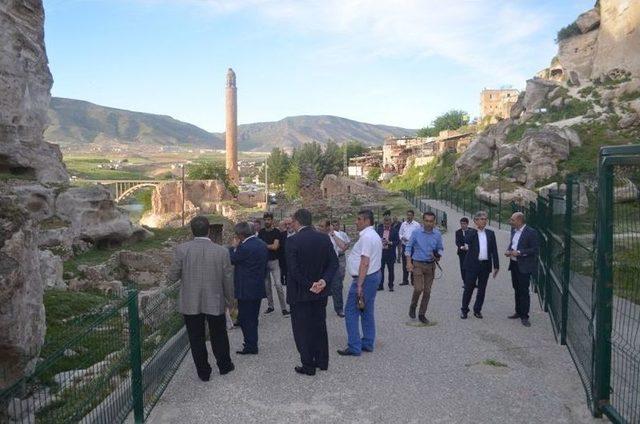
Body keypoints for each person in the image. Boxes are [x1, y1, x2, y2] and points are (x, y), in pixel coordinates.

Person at [167, 216, 235, 380]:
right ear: (209, 230)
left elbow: (172, 277)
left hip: (191, 301)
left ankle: (203, 373)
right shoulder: (221, 251)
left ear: (192, 231)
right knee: (219, 334)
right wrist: (230, 300)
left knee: (196, 337)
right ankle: (225, 366)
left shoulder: (182, 250)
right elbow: (228, 278)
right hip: (215, 299)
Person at [286, 209, 338, 375]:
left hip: (300, 293)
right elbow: (333, 263)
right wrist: (323, 281)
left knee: (302, 330)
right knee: (319, 326)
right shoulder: (324, 238)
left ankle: (308, 364)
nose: (291, 224)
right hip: (320, 292)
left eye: (292, 221)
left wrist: (310, 284)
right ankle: (322, 361)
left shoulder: (292, 241)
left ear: (297, 221)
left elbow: (293, 270)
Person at [337, 209, 382, 356]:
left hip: (365, 278)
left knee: (351, 311)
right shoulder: (373, 235)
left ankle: (354, 346)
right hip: (373, 276)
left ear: (367, 221)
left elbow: (365, 262)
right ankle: (368, 342)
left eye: (358, 219)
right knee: (367, 310)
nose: (356, 222)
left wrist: (359, 285)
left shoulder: (367, 237)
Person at [229, 221, 269, 354]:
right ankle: (252, 343)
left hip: (245, 288)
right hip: (257, 286)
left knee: (246, 319)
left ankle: (250, 346)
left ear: (240, 235)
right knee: (253, 317)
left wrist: (233, 247)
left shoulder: (244, 247)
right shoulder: (262, 244)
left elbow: (232, 259)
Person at [405, 211, 444, 324]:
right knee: (418, 288)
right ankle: (413, 305)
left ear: (434, 222)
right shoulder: (416, 232)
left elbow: (440, 248)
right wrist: (408, 262)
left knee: (427, 291)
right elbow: (408, 247)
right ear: (423, 221)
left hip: (431, 265)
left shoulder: (437, 234)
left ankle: (422, 314)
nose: (428, 223)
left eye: (431, 221)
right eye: (426, 221)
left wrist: (438, 255)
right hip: (417, 264)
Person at [460, 211, 499, 320]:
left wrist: (496, 265)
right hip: (472, 265)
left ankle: (477, 310)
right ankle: (464, 309)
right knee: (468, 288)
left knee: (482, 289)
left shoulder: (491, 233)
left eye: (485, 219)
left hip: (485, 265)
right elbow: (466, 241)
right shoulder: (470, 232)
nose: (484, 221)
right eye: (481, 219)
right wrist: (475, 230)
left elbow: (494, 250)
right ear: (476, 221)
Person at [506, 212, 540, 327]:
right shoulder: (514, 231)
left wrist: (520, 252)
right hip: (514, 264)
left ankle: (525, 316)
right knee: (516, 288)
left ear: (519, 220)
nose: (510, 222)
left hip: (524, 265)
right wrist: (509, 250)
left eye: (512, 220)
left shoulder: (531, 232)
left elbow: (535, 249)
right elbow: (513, 244)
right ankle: (518, 311)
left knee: (524, 290)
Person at [258, 212, 289, 316]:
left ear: (272, 220)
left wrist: (263, 245)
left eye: (268, 219)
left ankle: (284, 308)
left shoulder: (276, 232)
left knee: (278, 285)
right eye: (265, 219)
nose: (267, 221)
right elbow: (266, 246)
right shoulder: (261, 232)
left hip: (274, 261)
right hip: (264, 261)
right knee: (267, 286)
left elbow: (275, 247)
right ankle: (270, 306)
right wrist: (268, 246)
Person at [321, 220, 349, 317]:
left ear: (328, 227)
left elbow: (343, 246)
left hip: (333, 263)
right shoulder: (317, 235)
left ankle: (339, 308)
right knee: (321, 287)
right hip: (321, 264)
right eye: (319, 226)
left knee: (337, 286)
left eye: (322, 226)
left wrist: (333, 235)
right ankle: (320, 308)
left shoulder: (335, 234)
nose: (320, 228)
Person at [376, 216, 400, 291]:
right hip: (381, 253)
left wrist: (390, 242)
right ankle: (380, 285)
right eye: (385, 221)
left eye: (388, 222)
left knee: (391, 270)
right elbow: (375, 239)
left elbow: (397, 241)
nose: (386, 223)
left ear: (390, 222)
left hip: (390, 253)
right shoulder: (379, 230)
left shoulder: (394, 230)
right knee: (380, 270)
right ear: (383, 222)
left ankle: (391, 285)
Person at [399, 210, 421, 285]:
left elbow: (419, 235)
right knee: (405, 263)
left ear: (413, 216)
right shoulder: (403, 224)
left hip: (413, 247)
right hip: (405, 245)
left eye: (410, 215)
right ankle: (405, 280)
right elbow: (400, 233)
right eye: (408, 215)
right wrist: (402, 238)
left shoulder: (416, 225)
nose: (409, 216)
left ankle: (413, 280)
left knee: (413, 263)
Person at [455, 217, 470, 288]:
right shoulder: (458, 232)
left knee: (471, 267)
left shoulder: (472, 231)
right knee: (463, 267)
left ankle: (472, 282)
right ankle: (465, 282)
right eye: (461, 224)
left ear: (467, 224)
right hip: (462, 253)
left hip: (471, 253)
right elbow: (457, 242)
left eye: (464, 224)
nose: (462, 225)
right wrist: (461, 247)